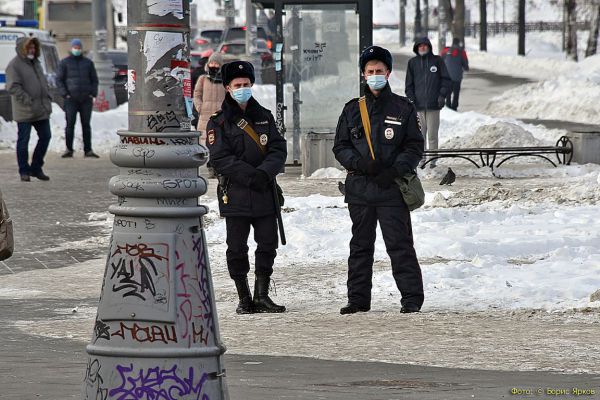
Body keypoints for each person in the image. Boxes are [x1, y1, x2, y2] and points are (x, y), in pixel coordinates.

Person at [333, 45, 425, 315]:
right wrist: (359, 163)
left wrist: (395, 170)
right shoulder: (351, 110)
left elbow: (414, 146)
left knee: (400, 245)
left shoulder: (403, 108)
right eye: (370, 71)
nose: (375, 75)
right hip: (360, 189)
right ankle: (358, 299)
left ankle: (411, 299)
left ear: (388, 73)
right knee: (360, 247)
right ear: (363, 74)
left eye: (379, 71)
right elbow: (340, 146)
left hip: (391, 189)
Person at [206, 61, 287, 314]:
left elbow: (278, 148)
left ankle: (261, 295)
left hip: (264, 192)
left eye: (246, 84)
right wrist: (251, 175)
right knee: (237, 247)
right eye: (237, 85)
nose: (242, 88)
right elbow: (219, 158)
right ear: (228, 88)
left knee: (267, 244)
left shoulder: (263, 116)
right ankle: (244, 298)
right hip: (236, 193)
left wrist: (264, 173)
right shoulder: (218, 123)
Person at [6, 37, 53, 182]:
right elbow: (13, 86)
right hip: (25, 110)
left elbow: (42, 82)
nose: (32, 50)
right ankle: (24, 171)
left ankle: (36, 167)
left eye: (34, 48)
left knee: (46, 136)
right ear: (22, 49)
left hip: (40, 109)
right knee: (23, 141)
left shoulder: (36, 63)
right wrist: (27, 99)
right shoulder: (14, 65)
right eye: (29, 48)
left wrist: (47, 95)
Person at [405, 37, 451, 168]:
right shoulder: (412, 63)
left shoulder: (437, 61)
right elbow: (409, 85)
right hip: (417, 107)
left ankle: (433, 161)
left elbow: (446, 80)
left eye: (425, 45)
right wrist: (411, 99)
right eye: (420, 46)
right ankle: (421, 160)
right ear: (416, 48)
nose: (423, 48)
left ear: (429, 47)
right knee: (420, 136)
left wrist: (442, 95)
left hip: (433, 106)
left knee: (432, 135)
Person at [56, 38, 99, 158]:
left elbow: (94, 80)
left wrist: (92, 93)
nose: (77, 49)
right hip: (71, 99)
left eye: (79, 47)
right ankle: (69, 149)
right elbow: (59, 79)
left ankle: (88, 150)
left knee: (86, 125)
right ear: (71, 48)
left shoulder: (88, 63)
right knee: (70, 124)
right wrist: (65, 94)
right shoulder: (65, 63)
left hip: (86, 99)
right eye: (75, 47)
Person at [193, 52, 226, 144]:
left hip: (220, 116)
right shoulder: (203, 79)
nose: (213, 65)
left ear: (220, 65)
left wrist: (226, 109)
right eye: (211, 63)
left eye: (216, 63)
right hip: (205, 116)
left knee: (219, 141)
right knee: (204, 140)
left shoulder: (225, 80)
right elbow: (197, 95)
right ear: (208, 64)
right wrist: (200, 107)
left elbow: (230, 97)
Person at [441, 37, 469, 111]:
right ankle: (454, 107)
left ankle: (448, 105)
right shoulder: (462, 52)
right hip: (457, 77)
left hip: (447, 77)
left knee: (448, 92)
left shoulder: (445, 51)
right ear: (458, 43)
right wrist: (466, 68)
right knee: (456, 93)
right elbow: (465, 65)